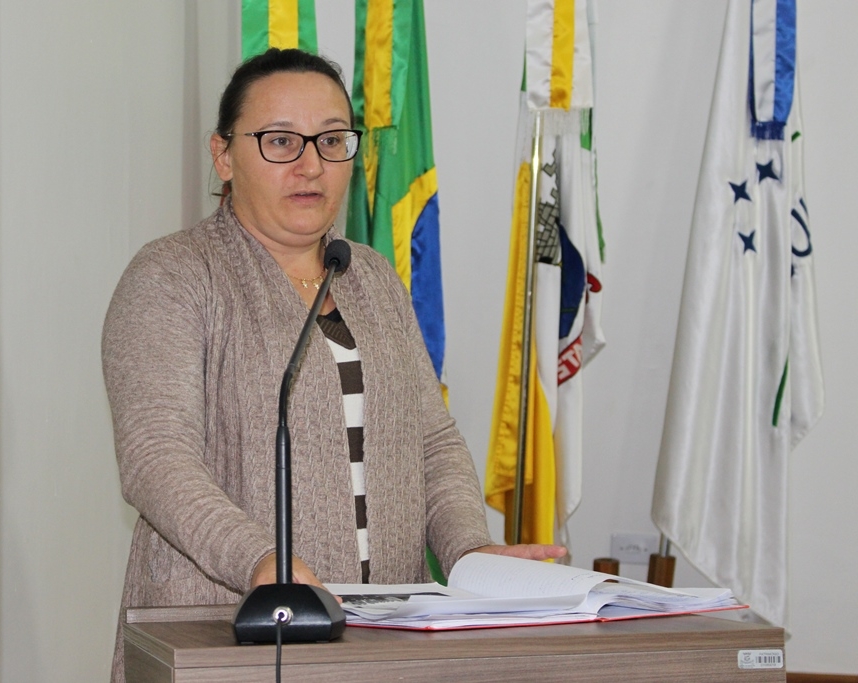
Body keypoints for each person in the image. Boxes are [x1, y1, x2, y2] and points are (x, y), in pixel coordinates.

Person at [101, 47, 565, 682]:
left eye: (330, 140)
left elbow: (431, 442)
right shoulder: (174, 276)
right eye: (280, 141)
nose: (311, 165)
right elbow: (156, 458)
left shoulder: (369, 276)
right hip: (221, 633)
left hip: (382, 637)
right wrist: (262, 561)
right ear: (224, 155)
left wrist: (469, 553)